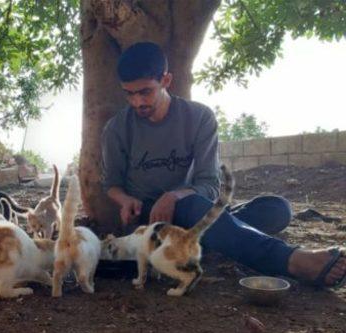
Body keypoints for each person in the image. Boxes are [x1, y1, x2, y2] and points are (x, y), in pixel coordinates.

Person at [101, 41, 346, 288]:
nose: (137, 102)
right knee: (202, 210)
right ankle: (291, 260)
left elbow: (208, 184)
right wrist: (124, 200)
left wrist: (174, 195)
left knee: (277, 208)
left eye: (145, 92)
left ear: (166, 80)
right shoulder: (117, 129)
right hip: (151, 220)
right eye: (129, 93)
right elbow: (112, 184)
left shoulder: (199, 117)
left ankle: (200, 242)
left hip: (192, 207)